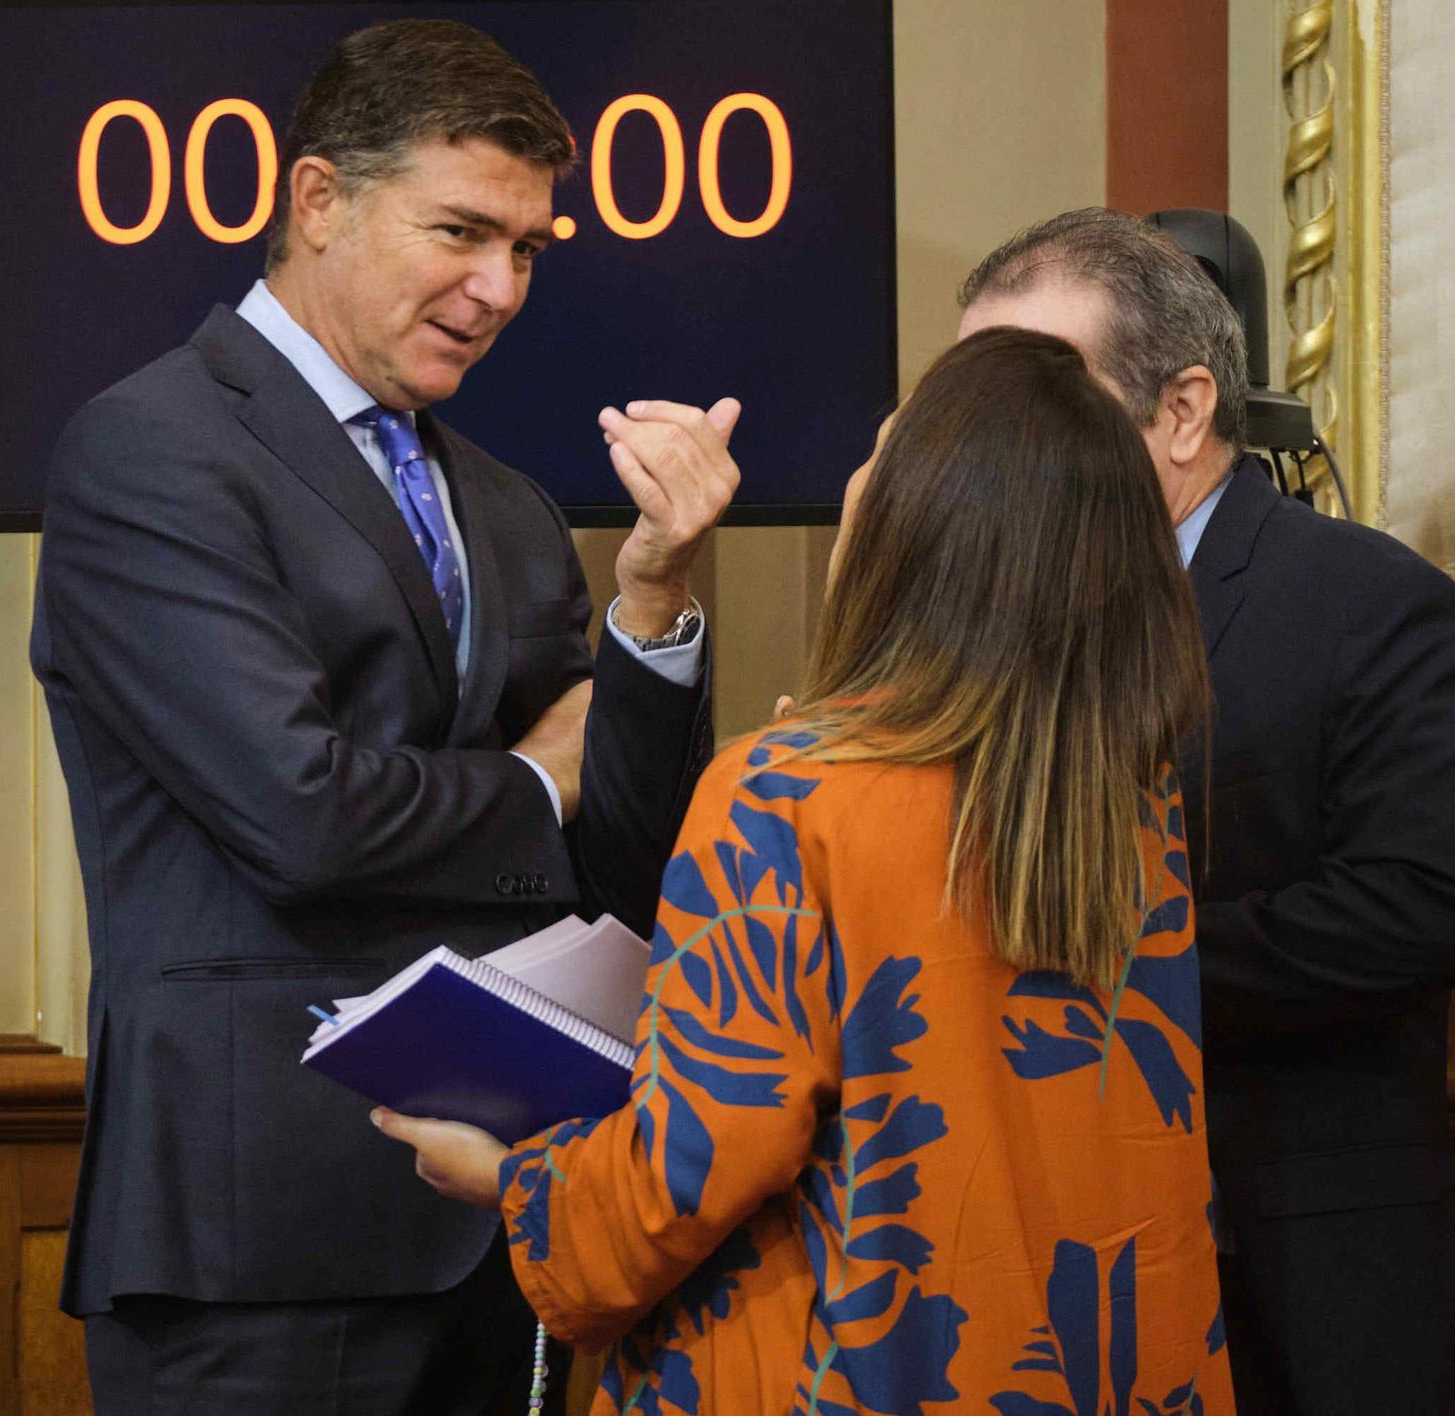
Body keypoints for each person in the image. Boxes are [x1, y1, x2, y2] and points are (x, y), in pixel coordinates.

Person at [30, 20, 735, 1413]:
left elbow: (626, 867)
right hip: (263, 1242)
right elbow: (303, 814)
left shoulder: (515, 508)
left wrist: (655, 612)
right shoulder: (149, 450)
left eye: (528, 250)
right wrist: (533, 783)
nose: (498, 288)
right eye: (463, 231)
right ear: (316, 202)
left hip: (505, 1223)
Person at [377, 327, 1236, 1414]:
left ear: (911, 531)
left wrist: (511, 1181)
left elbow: (689, 1165)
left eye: (878, 461)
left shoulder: (782, 793)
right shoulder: (1129, 795)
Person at [957, 208, 1455, 1415]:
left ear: (1183, 409)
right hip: (1041, 1280)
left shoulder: (1366, 601)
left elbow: (1423, 910)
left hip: (1298, 1279)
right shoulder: (988, 624)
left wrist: (1102, 962)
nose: (991, 443)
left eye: (1033, 392)